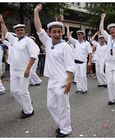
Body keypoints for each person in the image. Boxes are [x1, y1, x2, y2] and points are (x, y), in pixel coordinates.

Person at [34, 4, 75, 137]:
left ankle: (66, 129)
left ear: (61, 33)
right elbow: (38, 28)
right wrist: (36, 12)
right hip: (51, 81)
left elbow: (70, 66)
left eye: (59, 31)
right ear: (50, 32)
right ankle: (61, 125)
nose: (56, 34)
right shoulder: (47, 42)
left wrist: (69, 81)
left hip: (62, 80)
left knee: (63, 106)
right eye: (54, 31)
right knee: (51, 106)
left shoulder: (66, 47)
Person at [0, 14, 39, 119]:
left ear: (24, 30)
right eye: (18, 30)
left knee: (23, 91)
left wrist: (28, 68)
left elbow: (34, 55)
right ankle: (27, 104)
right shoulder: (13, 40)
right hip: (13, 70)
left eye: (21, 30)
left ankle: (28, 110)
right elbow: (6, 32)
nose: (20, 31)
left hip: (24, 70)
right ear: (16, 32)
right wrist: (2, 22)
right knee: (14, 91)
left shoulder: (29, 41)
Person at [66, 26, 92, 94]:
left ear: (83, 35)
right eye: (77, 34)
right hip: (76, 62)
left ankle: (84, 89)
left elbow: (90, 53)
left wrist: (89, 62)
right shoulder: (76, 42)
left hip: (83, 62)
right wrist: (68, 28)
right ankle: (79, 88)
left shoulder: (87, 43)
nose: (78, 35)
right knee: (77, 76)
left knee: (83, 76)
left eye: (79, 34)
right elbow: (68, 37)